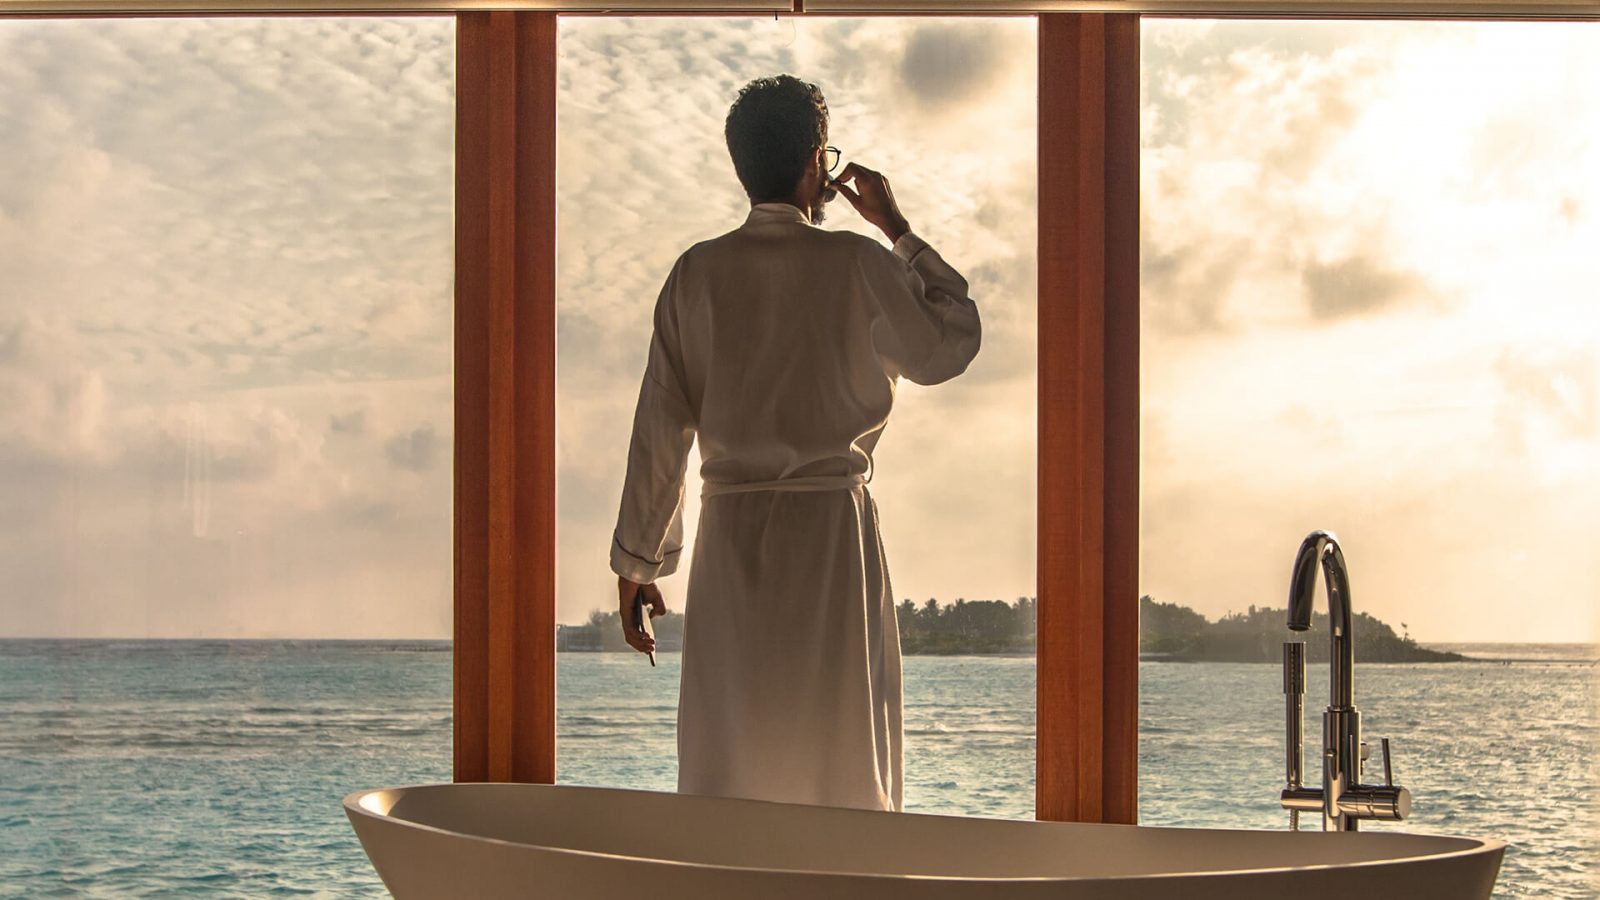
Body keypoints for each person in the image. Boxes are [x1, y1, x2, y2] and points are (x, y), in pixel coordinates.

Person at [607, 73, 981, 813]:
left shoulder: (697, 274)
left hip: (733, 544)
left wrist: (638, 563)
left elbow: (660, 431)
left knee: (731, 765)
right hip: (831, 541)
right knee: (841, 759)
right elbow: (950, 342)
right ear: (818, 161)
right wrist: (896, 228)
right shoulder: (858, 265)